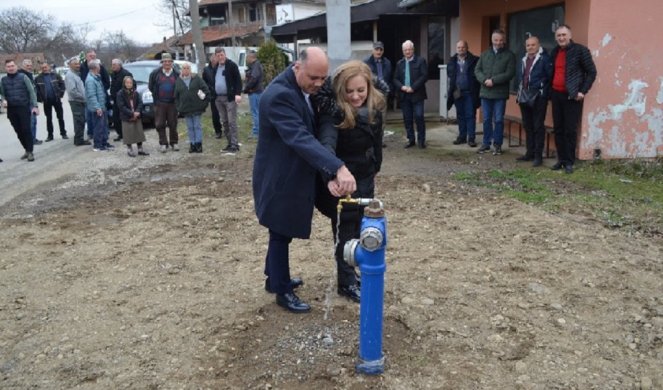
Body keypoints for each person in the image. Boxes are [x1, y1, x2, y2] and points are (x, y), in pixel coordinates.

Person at [253, 47, 357, 313]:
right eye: (314, 78)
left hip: (293, 172)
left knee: (280, 230)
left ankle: (274, 277)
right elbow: (299, 137)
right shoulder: (278, 96)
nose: (319, 84)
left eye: (323, 78)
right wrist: (337, 167)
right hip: (279, 176)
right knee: (279, 231)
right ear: (297, 67)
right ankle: (281, 290)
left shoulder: (305, 87)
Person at [313, 60, 385, 303]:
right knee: (344, 228)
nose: (356, 96)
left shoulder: (375, 107)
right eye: (350, 91)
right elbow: (326, 146)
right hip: (343, 178)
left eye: (361, 90)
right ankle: (345, 281)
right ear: (341, 90)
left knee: (363, 225)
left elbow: (377, 141)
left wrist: (376, 166)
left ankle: (356, 269)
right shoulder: (333, 112)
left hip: (365, 175)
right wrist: (332, 175)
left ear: (369, 88)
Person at [550, 24, 597, 174]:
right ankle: (561, 159)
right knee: (558, 129)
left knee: (569, 130)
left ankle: (569, 161)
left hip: (572, 96)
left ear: (569, 36)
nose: (561, 38)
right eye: (559, 35)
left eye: (564, 35)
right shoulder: (555, 51)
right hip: (556, 95)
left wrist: (582, 91)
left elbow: (591, 72)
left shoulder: (580, 51)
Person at [474, 29, 516, 155]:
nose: (498, 42)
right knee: (486, 119)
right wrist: (484, 80)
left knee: (498, 119)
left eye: (500, 40)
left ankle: (497, 144)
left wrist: (494, 80)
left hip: (500, 93)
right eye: (495, 40)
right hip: (485, 92)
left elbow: (510, 73)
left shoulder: (509, 55)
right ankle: (486, 143)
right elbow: (477, 70)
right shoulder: (485, 54)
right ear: (492, 40)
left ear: (504, 41)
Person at [515, 36, 553, 167]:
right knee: (527, 125)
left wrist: (544, 94)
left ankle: (538, 156)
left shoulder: (545, 59)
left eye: (533, 45)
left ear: (538, 45)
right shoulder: (523, 59)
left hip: (539, 97)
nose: (530, 47)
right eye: (528, 45)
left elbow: (549, 78)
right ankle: (529, 153)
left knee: (538, 126)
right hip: (525, 96)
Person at [0, 59, 38, 161]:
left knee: (26, 130)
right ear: (5, 68)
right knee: (19, 131)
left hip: (23, 107)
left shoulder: (23, 77)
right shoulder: (3, 80)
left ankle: (30, 152)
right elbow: (2, 94)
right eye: (8, 66)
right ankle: (26, 149)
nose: (11, 68)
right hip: (12, 109)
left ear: (16, 66)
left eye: (12, 66)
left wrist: (35, 106)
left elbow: (32, 92)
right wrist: (3, 100)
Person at [393, 40, 428, 149]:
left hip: (417, 94)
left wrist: (413, 87)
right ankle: (411, 139)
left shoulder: (421, 61)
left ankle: (421, 140)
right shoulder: (400, 63)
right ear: (403, 51)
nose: (407, 52)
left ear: (413, 50)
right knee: (407, 118)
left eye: (409, 49)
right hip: (404, 95)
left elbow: (424, 76)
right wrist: (402, 87)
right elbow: (395, 79)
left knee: (419, 116)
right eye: (405, 50)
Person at [446, 40, 481, 147]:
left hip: (470, 92)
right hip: (457, 92)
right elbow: (450, 74)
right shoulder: (452, 61)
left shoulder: (475, 60)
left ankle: (471, 138)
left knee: (470, 115)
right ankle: (462, 136)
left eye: (463, 47)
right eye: (459, 48)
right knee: (460, 115)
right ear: (456, 49)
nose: (460, 49)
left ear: (467, 48)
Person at [175, 62, 210, 153]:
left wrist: (204, 103)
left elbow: (206, 90)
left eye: (187, 68)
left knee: (197, 126)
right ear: (181, 70)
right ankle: (192, 144)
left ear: (190, 70)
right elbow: (176, 96)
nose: (186, 70)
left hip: (196, 108)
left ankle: (198, 144)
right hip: (186, 109)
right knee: (190, 127)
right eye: (184, 68)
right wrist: (179, 107)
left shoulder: (196, 78)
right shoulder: (178, 81)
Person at [212, 48, 243, 153]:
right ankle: (229, 143)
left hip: (229, 98)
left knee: (231, 122)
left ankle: (235, 144)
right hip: (218, 99)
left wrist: (238, 93)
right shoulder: (215, 67)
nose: (220, 57)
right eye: (218, 55)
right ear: (216, 57)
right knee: (224, 122)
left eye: (222, 55)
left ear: (225, 55)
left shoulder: (231, 65)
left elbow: (238, 80)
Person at [148, 53, 180, 152]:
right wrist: (156, 98)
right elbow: (151, 86)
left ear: (172, 62)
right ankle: (163, 143)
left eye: (169, 61)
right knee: (160, 124)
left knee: (173, 123)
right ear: (162, 63)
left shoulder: (177, 73)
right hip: (160, 103)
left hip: (172, 103)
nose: (167, 63)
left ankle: (174, 143)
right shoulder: (155, 73)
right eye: (165, 61)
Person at [80, 49, 110, 141]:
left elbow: (106, 81)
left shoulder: (100, 67)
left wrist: (100, 90)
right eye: (90, 56)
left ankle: (103, 135)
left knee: (102, 118)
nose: (93, 58)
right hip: (89, 96)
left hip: (100, 96)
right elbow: (82, 82)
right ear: (86, 57)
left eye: (94, 56)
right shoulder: (83, 67)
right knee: (90, 116)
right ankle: (92, 133)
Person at [116, 76, 149, 157]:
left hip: (136, 115)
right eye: (127, 83)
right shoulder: (120, 93)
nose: (129, 84)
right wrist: (131, 113)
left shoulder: (136, 93)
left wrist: (137, 111)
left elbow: (140, 103)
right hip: (126, 117)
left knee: (139, 133)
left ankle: (140, 149)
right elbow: (121, 106)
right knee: (128, 134)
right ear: (124, 83)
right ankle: (129, 149)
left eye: (130, 83)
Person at [35, 62, 68, 141]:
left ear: (49, 67)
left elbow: (62, 84)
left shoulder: (56, 75)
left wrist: (61, 94)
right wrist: (40, 99)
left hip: (56, 100)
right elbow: (36, 90)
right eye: (42, 67)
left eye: (45, 67)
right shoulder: (38, 78)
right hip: (46, 101)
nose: (44, 69)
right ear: (41, 69)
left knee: (60, 117)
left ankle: (63, 133)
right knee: (48, 119)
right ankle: (50, 135)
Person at [85, 59, 112, 152]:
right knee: (98, 126)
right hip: (98, 108)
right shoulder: (90, 80)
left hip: (102, 106)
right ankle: (98, 145)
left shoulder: (97, 77)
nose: (100, 68)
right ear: (95, 68)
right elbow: (92, 95)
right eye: (99, 66)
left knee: (104, 126)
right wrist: (97, 107)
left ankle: (104, 142)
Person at [64, 57, 90, 146]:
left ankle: (79, 139)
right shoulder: (70, 75)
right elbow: (72, 91)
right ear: (70, 65)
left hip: (80, 101)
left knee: (81, 120)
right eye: (75, 64)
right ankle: (79, 140)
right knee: (79, 120)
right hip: (76, 101)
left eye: (78, 64)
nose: (78, 65)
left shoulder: (76, 74)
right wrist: (83, 97)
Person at [18, 59, 42, 145]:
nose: (29, 67)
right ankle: (31, 140)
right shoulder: (21, 75)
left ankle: (33, 138)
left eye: (30, 65)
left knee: (34, 121)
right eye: (27, 66)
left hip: (32, 101)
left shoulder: (30, 74)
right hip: (26, 102)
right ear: (23, 66)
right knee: (30, 122)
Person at [110, 59, 133, 142]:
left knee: (126, 118)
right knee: (116, 118)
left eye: (114, 65)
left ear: (119, 65)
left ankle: (127, 134)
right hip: (115, 100)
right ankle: (120, 134)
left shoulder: (126, 74)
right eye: (112, 64)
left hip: (124, 100)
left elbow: (133, 86)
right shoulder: (113, 74)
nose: (113, 66)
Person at [364, 41, 393, 106]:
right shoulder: (366, 62)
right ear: (373, 50)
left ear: (383, 51)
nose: (379, 52)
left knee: (383, 113)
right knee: (371, 112)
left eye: (381, 50)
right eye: (376, 49)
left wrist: (389, 89)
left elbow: (390, 78)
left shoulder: (387, 62)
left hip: (384, 91)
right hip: (372, 92)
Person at [243, 50, 264, 139]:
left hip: (255, 92)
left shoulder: (256, 66)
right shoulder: (255, 65)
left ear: (251, 57)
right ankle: (259, 131)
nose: (246, 59)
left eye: (247, 57)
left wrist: (247, 88)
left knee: (256, 112)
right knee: (257, 112)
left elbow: (254, 78)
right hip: (256, 91)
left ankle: (256, 132)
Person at [202, 54, 223, 139]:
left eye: (216, 58)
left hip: (222, 93)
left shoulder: (221, 67)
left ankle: (227, 129)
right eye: (213, 58)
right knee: (215, 114)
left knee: (225, 113)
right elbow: (204, 82)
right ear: (210, 59)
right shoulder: (206, 70)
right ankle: (218, 131)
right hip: (213, 95)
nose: (214, 60)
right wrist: (209, 89)